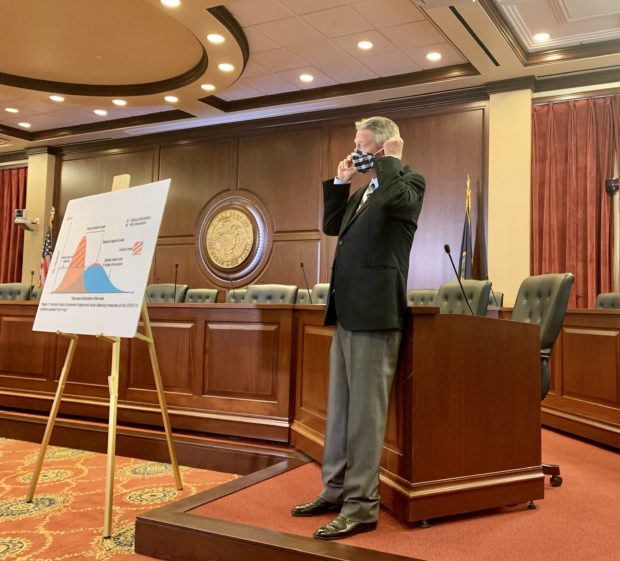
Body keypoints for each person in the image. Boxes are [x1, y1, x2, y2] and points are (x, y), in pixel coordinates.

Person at [291, 116, 426, 540]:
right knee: (341, 412)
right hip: (347, 311)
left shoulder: (406, 183)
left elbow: (396, 206)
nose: (356, 150)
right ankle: (334, 491)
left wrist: (392, 161)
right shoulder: (364, 192)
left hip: (376, 314)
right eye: (355, 143)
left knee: (365, 417)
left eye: (364, 144)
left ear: (384, 148)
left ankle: (362, 506)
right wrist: (339, 181)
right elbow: (333, 227)